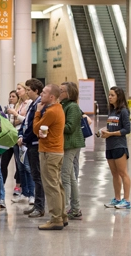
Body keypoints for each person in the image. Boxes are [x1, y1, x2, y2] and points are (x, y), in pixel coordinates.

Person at [33, 84, 67, 230]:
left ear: (51, 97)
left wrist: (37, 112)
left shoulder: (51, 111)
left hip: (49, 151)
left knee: (51, 186)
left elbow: (36, 128)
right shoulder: (58, 108)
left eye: (44, 92)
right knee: (57, 185)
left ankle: (56, 218)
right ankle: (62, 215)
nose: (41, 94)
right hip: (56, 151)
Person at [17, 78, 46, 218]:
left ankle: (40, 206)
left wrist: (25, 138)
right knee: (35, 175)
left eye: (29, 90)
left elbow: (35, 125)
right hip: (29, 143)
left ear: (36, 91)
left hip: (34, 143)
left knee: (37, 176)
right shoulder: (32, 104)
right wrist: (21, 134)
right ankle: (37, 205)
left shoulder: (39, 104)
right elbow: (26, 123)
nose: (27, 92)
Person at [101, 86, 131, 209]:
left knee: (123, 172)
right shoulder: (111, 111)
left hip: (119, 145)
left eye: (112, 95)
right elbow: (111, 127)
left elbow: (127, 129)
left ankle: (127, 200)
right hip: (109, 146)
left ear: (118, 97)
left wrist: (112, 134)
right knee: (114, 174)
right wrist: (104, 132)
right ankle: (117, 198)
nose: (109, 97)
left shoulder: (123, 111)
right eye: (109, 95)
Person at [59, 82, 85, 220]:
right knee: (71, 176)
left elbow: (69, 127)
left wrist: (55, 125)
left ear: (69, 93)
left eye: (62, 90)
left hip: (71, 144)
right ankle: (75, 208)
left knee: (65, 176)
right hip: (66, 144)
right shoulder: (64, 105)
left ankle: (64, 208)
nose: (59, 92)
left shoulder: (73, 107)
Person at [9, 82, 35, 204]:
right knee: (20, 166)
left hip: (24, 136)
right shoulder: (19, 104)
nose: (17, 91)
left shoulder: (30, 104)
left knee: (27, 166)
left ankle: (32, 193)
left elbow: (27, 121)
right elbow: (16, 121)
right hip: (16, 135)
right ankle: (24, 192)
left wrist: (16, 115)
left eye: (20, 89)